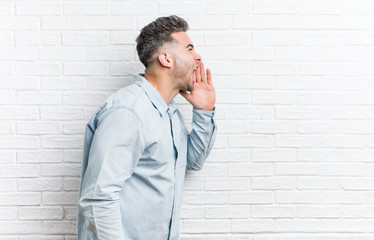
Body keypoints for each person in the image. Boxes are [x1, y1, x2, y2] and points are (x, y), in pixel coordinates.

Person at [77, 15, 217, 240]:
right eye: (190, 49)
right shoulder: (128, 113)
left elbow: (192, 161)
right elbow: (98, 199)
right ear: (166, 59)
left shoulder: (170, 113)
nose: (198, 57)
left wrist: (204, 112)